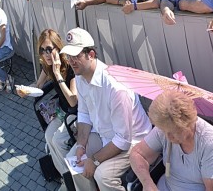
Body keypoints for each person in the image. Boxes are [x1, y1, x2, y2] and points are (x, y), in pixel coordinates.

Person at [61, 28, 152, 191]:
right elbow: (84, 114)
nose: (71, 61)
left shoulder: (115, 88)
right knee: (73, 158)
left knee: (102, 175)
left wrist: (94, 160)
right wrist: (81, 145)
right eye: (69, 56)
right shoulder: (80, 77)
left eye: (76, 55)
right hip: (106, 135)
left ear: (91, 55)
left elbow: (123, 140)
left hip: (134, 140)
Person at [129, 90, 213, 191]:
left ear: (187, 124)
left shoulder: (211, 143)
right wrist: (148, 183)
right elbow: (136, 154)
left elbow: (210, 189)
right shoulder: (165, 128)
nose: (168, 137)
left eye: (173, 132)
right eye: (164, 131)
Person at [19, 29, 78, 180]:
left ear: (58, 48)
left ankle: (74, 178)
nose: (46, 54)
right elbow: (38, 86)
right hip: (63, 111)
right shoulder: (47, 65)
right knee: (48, 136)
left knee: (58, 140)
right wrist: (26, 91)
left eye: (49, 49)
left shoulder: (70, 66)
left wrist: (57, 74)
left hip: (77, 113)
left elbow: (73, 100)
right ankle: (65, 177)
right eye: (42, 50)